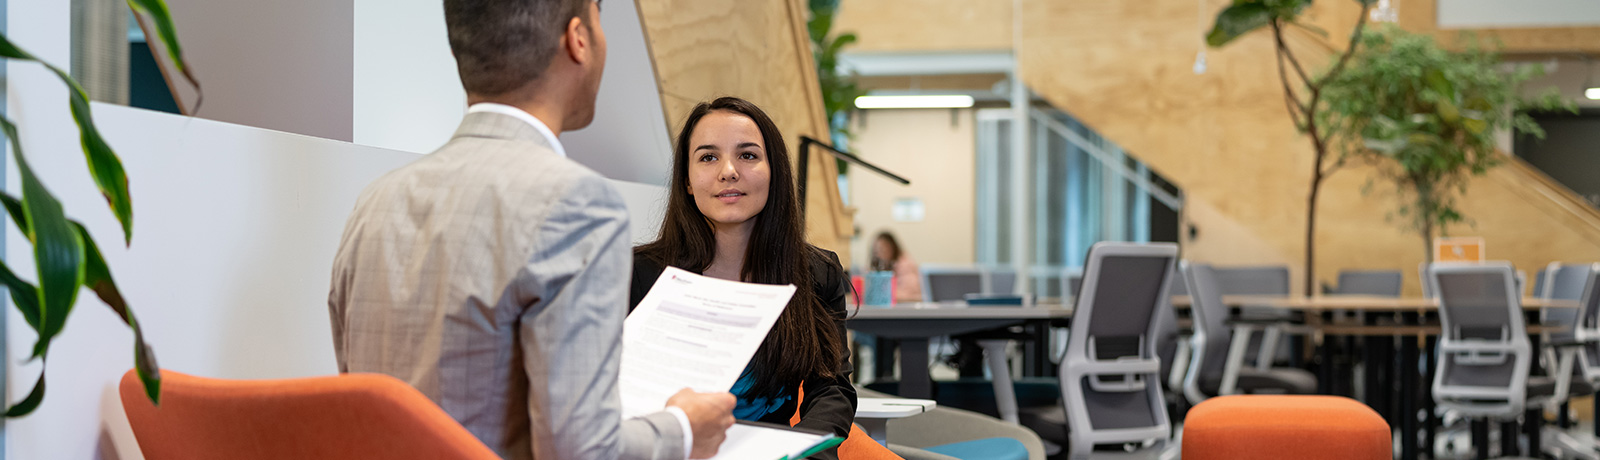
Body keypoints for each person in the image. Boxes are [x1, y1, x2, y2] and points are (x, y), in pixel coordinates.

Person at [327, 1, 734, 459]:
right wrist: (682, 430)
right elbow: (580, 452)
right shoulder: (578, 203)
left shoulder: (375, 201)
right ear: (578, 38)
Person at [629, 97, 856, 460]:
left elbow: (831, 389)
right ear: (687, 181)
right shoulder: (636, 274)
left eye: (748, 155)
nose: (728, 171)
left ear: (774, 173)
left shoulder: (816, 273)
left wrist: (806, 454)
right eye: (708, 157)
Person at [869, 231, 922, 302]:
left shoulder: (905, 265)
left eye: (882, 249)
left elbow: (911, 294)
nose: (879, 255)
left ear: (892, 247)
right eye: (876, 251)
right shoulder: (885, 266)